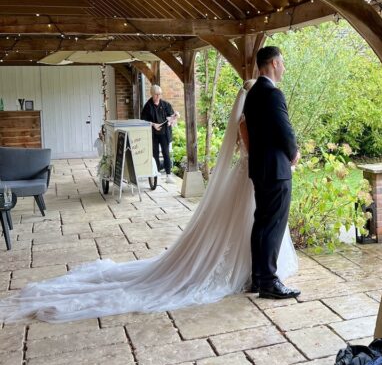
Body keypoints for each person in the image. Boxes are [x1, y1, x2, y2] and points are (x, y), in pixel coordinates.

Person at [0, 81, 298, 323]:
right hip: (259, 171)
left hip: (250, 172)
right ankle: (259, 275)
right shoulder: (256, 113)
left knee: (254, 223)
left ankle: (258, 273)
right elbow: (250, 145)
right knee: (259, 223)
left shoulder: (249, 115)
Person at [243, 46, 301, 300]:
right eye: (283, 63)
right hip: (276, 170)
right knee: (274, 225)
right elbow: (284, 129)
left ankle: (258, 278)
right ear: (275, 63)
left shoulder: (253, 93)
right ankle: (268, 281)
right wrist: (294, 153)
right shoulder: (273, 94)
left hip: (259, 168)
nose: (284, 68)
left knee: (262, 223)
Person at [141, 85, 179, 184]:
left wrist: (174, 117)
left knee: (166, 153)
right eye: (156, 94)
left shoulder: (166, 104)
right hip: (153, 134)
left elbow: (170, 118)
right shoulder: (147, 106)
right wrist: (153, 124)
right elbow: (143, 121)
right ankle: (156, 175)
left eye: (159, 94)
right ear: (152, 94)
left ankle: (168, 175)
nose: (158, 96)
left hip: (164, 133)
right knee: (155, 154)